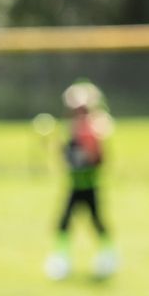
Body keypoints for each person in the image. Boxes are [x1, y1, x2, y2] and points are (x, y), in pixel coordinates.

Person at [44, 80, 117, 281]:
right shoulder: (73, 130)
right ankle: (61, 259)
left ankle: (108, 255)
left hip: (89, 186)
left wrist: (83, 149)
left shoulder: (93, 129)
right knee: (64, 223)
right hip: (74, 186)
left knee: (96, 222)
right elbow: (66, 160)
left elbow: (95, 158)